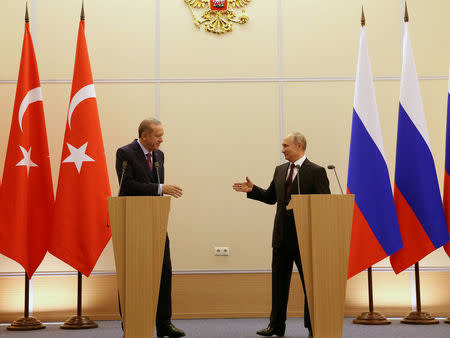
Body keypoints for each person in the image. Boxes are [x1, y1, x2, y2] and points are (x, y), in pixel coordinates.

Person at [233, 132, 330, 338]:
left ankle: (313, 327)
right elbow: (271, 198)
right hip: (281, 238)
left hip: (307, 239)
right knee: (278, 284)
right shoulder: (280, 170)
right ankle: (276, 326)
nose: (282, 149)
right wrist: (253, 190)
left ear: (300, 145)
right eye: (282, 146)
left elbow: (325, 206)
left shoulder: (317, 171)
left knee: (310, 287)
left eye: (286, 146)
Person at [115, 118, 185, 338]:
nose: (161, 140)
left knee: (164, 271)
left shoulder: (159, 155)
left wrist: (158, 190)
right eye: (157, 136)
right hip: (133, 223)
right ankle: (131, 323)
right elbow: (127, 185)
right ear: (143, 135)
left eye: (162, 135)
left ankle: (164, 323)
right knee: (133, 274)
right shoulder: (125, 153)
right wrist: (160, 188)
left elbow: (152, 189)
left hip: (155, 222)